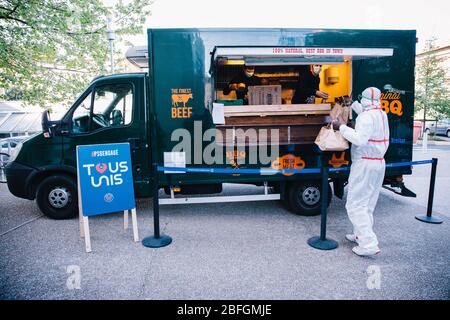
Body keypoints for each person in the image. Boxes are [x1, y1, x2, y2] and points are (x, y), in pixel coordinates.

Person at [333, 87, 389, 256]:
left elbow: (359, 138)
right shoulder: (381, 114)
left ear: (364, 100)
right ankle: (359, 235)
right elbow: (366, 114)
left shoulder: (366, 117)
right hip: (378, 163)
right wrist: (352, 105)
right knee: (367, 204)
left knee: (355, 204)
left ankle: (369, 243)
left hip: (365, 164)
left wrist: (341, 127)